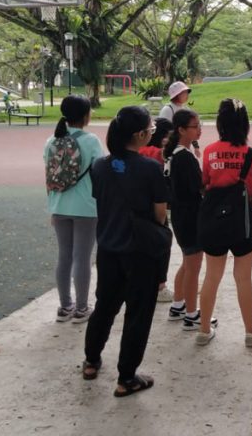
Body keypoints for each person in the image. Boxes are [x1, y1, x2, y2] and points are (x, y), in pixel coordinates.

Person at [82, 106, 168, 397]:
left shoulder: (99, 166)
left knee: (104, 306)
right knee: (138, 313)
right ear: (140, 135)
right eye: (150, 131)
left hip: (108, 247)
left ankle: (91, 361)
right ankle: (126, 377)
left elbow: (102, 201)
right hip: (139, 250)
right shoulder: (151, 168)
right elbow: (159, 214)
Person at [196, 98, 252, 347]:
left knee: (211, 276)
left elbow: (205, 184)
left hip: (214, 219)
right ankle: (250, 333)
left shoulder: (209, 151)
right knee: (243, 277)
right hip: (243, 221)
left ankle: (204, 331)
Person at [44, 95, 104, 324]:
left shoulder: (51, 141)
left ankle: (64, 306)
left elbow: (48, 177)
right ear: (86, 115)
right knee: (82, 257)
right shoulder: (91, 141)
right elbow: (100, 171)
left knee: (64, 256)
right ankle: (81, 308)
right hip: (86, 206)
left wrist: (52, 205)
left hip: (59, 205)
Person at [164, 109, 209, 330]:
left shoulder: (175, 153)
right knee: (193, 267)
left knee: (187, 262)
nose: (199, 129)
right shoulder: (184, 157)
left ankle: (178, 304)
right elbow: (200, 187)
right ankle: (191, 315)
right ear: (181, 130)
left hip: (181, 216)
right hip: (190, 217)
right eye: (195, 126)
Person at [138, 116, 176, 303]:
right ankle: (160, 285)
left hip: (135, 207)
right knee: (162, 244)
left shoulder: (137, 149)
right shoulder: (158, 154)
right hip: (155, 205)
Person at [159, 81, 200, 158]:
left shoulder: (186, 109)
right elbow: (162, 131)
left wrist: (196, 147)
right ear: (176, 95)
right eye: (184, 92)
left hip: (184, 147)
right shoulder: (167, 110)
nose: (187, 95)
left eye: (187, 92)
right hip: (171, 149)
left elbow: (191, 128)